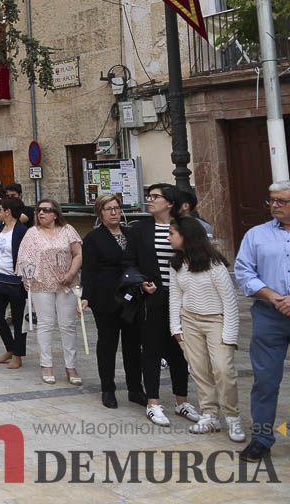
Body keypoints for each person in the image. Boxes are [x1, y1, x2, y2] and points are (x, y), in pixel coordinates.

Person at [127, 183, 200, 427]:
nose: (150, 200)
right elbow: (130, 264)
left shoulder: (185, 226)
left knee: (180, 351)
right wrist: (141, 283)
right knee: (151, 349)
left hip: (183, 296)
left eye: (155, 196)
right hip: (153, 297)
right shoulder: (139, 229)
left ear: (170, 202)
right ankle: (153, 403)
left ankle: (182, 401)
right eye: (148, 195)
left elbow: (198, 255)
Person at [168, 216, 244, 442]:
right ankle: (209, 413)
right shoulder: (177, 264)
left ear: (187, 236)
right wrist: (176, 327)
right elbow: (175, 297)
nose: (168, 237)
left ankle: (232, 416)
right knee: (198, 369)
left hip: (216, 321)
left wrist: (229, 335)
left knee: (223, 369)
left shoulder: (214, 265)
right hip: (189, 322)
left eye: (172, 233)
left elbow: (230, 302)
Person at [233, 180, 290, 463]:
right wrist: (274, 296)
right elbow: (244, 272)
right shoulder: (255, 235)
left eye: (281, 201)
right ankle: (262, 437)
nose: (274, 206)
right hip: (269, 314)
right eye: (272, 201)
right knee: (266, 379)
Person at [79, 193, 144, 409]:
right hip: (105, 297)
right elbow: (88, 269)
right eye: (108, 209)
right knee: (107, 343)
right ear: (100, 213)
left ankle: (135, 388)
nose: (114, 212)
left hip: (131, 297)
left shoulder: (132, 234)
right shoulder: (93, 238)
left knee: (133, 344)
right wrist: (86, 296)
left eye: (116, 208)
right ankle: (108, 388)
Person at [14, 199, 82, 387]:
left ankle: (71, 366)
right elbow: (24, 258)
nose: (41, 213)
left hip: (66, 282)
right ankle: (47, 365)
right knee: (45, 323)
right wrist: (28, 277)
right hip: (41, 282)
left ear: (55, 213)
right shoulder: (32, 233)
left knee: (68, 324)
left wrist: (71, 273)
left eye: (46, 210)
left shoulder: (68, 230)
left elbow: (78, 253)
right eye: (38, 210)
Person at [0, 197, 28, 370]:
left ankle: (18, 355)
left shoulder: (21, 231)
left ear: (8, 211)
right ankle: (10, 348)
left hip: (15, 281)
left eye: (1, 209)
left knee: (19, 320)